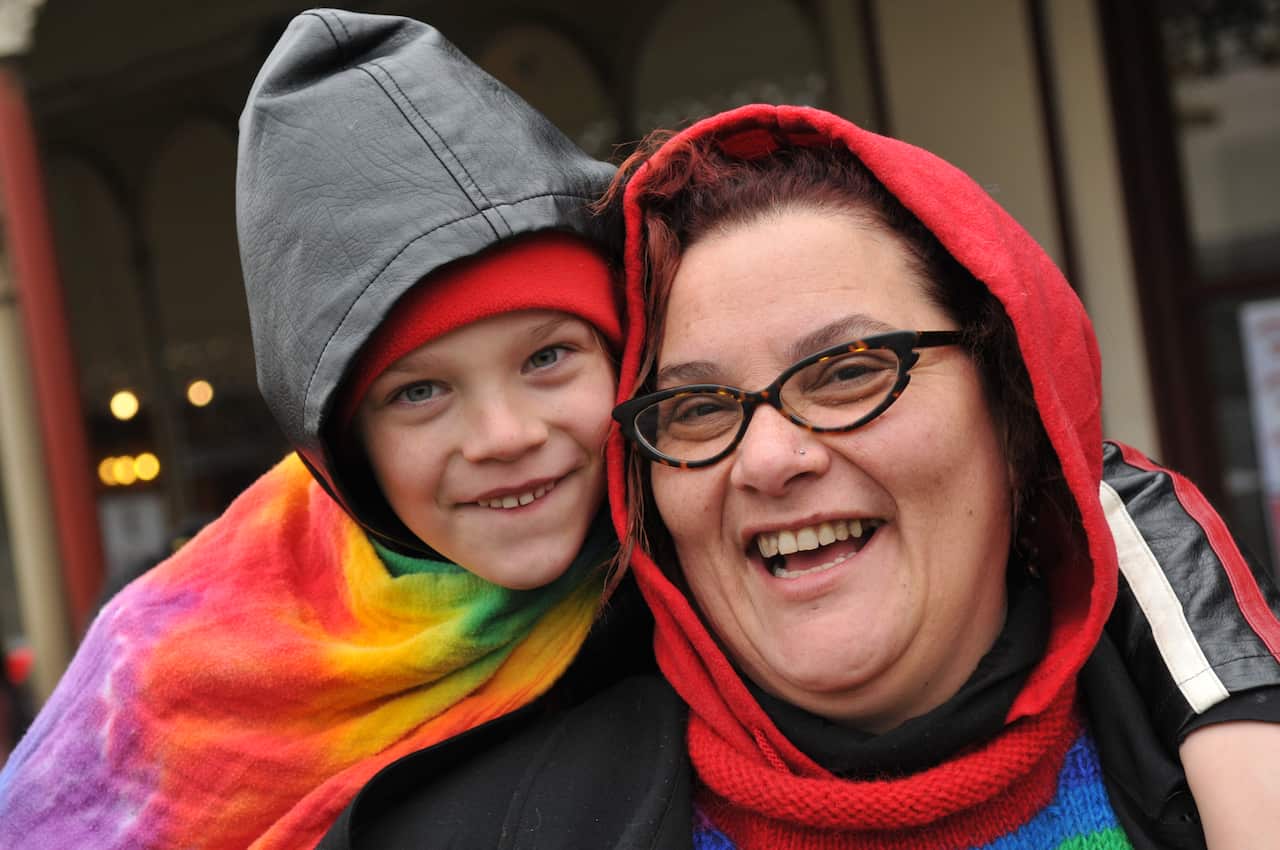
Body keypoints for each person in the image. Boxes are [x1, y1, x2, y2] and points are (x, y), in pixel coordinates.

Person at [317, 104, 1280, 850]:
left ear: (1011, 403)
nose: (772, 459)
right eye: (695, 409)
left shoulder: (1230, 765)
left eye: (854, 371)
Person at [0, 10, 647, 849]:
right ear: (341, 444)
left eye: (549, 355)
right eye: (419, 393)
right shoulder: (163, 673)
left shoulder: (709, 570)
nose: (502, 434)